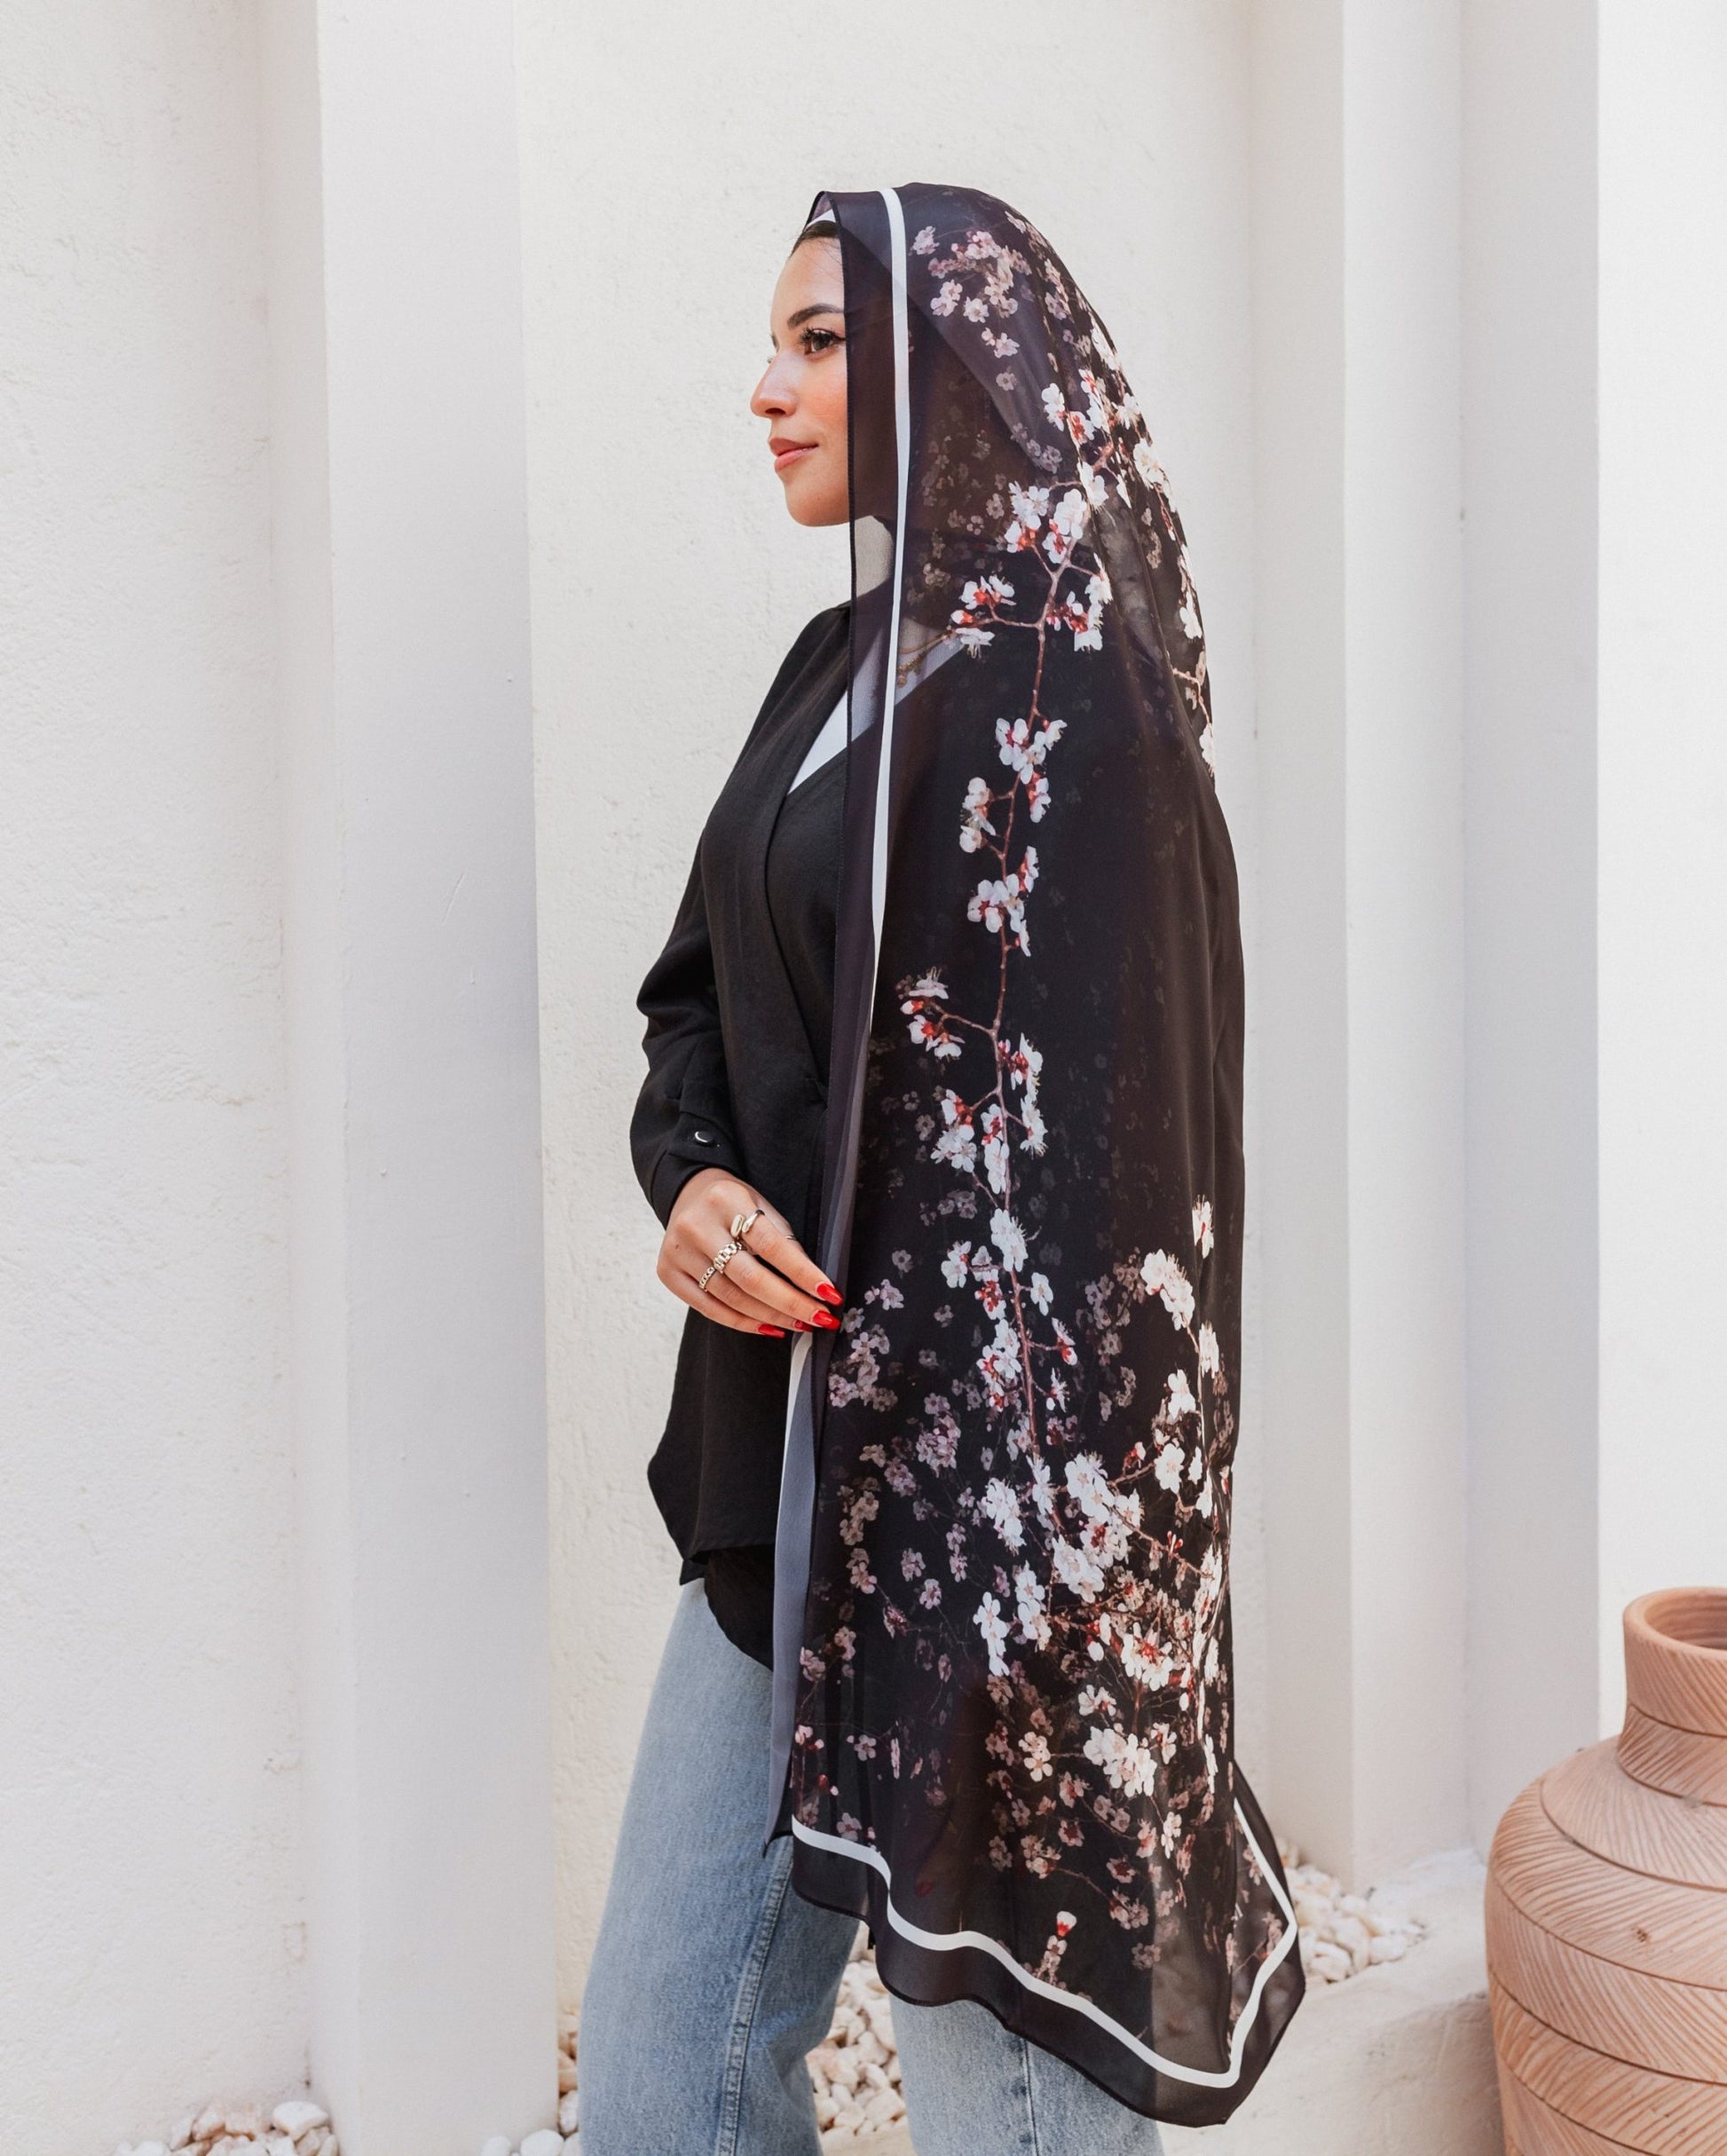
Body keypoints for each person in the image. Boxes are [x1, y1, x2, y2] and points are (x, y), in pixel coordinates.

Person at [580, 186, 1303, 2156]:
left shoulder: (1094, 713)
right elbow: (691, 1001)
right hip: (779, 1474)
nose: (766, 388)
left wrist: (1059, 1591)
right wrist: (692, 1182)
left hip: (1002, 1551)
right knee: (660, 2068)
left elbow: (1148, 1184)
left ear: (961, 363)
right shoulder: (831, 666)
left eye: (819, 340)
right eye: (774, 342)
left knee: (1017, 2112)